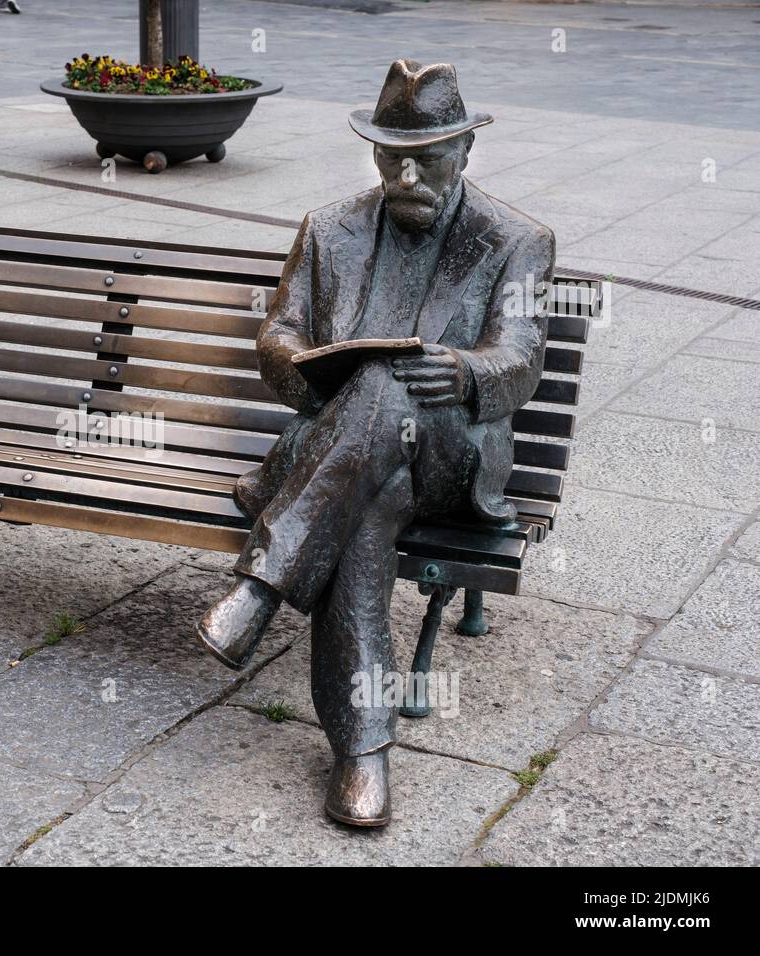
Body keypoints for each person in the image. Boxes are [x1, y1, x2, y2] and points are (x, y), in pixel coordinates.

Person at [195, 59, 555, 828]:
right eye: (393, 156)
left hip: (448, 456)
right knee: (365, 506)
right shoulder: (330, 229)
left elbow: (521, 356)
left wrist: (463, 372)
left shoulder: (516, 240)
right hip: (353, 467)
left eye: (427, 156)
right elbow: (279, 335)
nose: (408, 173)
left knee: (391, 386)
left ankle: (260, 586)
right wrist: (298, 365)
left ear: (464, 152)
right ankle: (362, 755)